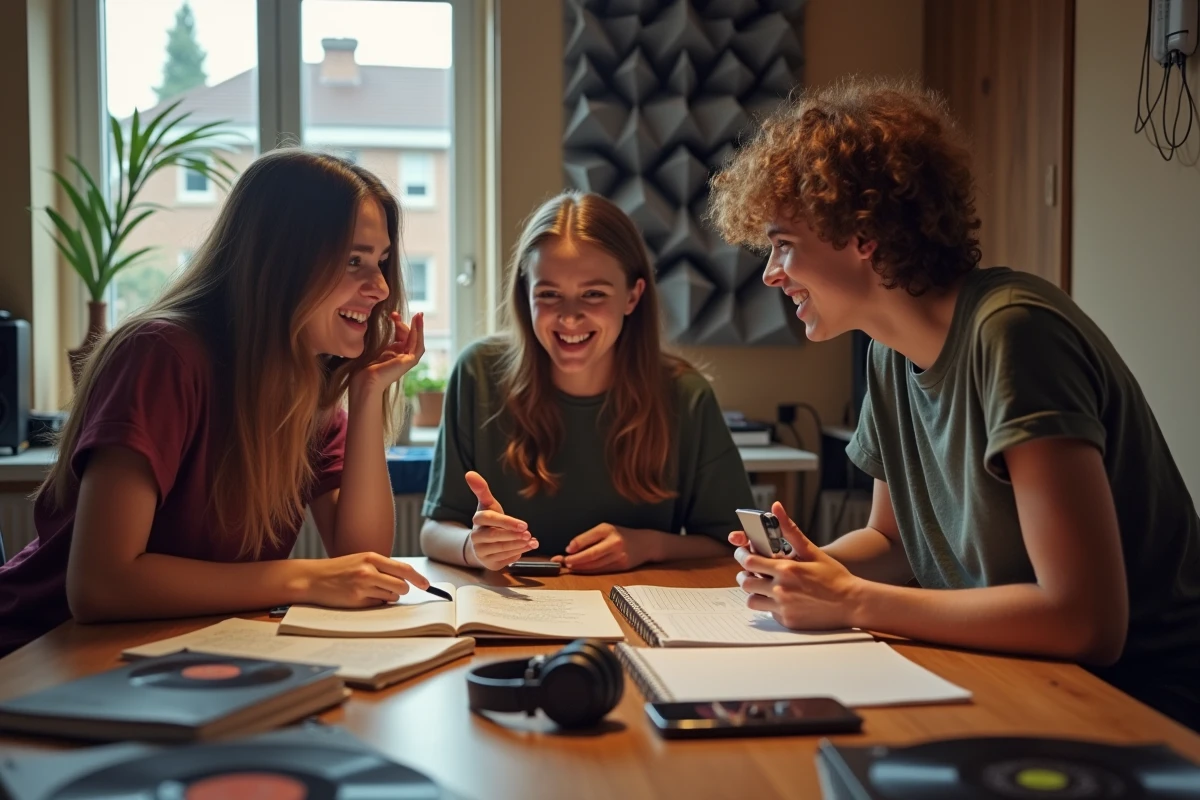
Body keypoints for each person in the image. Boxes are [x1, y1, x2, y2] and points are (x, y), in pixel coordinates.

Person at [707, 77, 1200, 730]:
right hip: (1014, 674)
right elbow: (893, 540)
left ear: (861, 233)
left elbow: (1086, 622)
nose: (771, 272)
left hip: (1135, 704)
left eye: (783, 244)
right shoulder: (887, 353)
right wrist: (805, 571)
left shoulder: (1016, 334)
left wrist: (851, 600)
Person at [0, 149, 435, 657]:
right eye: (354, 261)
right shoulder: (161, 355)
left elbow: (360, 558)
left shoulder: (308, 388)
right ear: (279, 260)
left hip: (170, 656)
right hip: (39, 651)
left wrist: (365, 396)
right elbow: (101, 585)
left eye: (381, 263)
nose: (381, 289)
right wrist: (303, 578)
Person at [420, 191, 754, 573]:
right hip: (512, 608)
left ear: (633, 295)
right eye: (549, 294)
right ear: (525, 295)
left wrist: (647, 545)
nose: (570, 317)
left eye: (593, 294)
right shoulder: (477, 373)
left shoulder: (686, 395)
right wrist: (473, 546)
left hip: (634, 616)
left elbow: (731, 543)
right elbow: (433, 531)